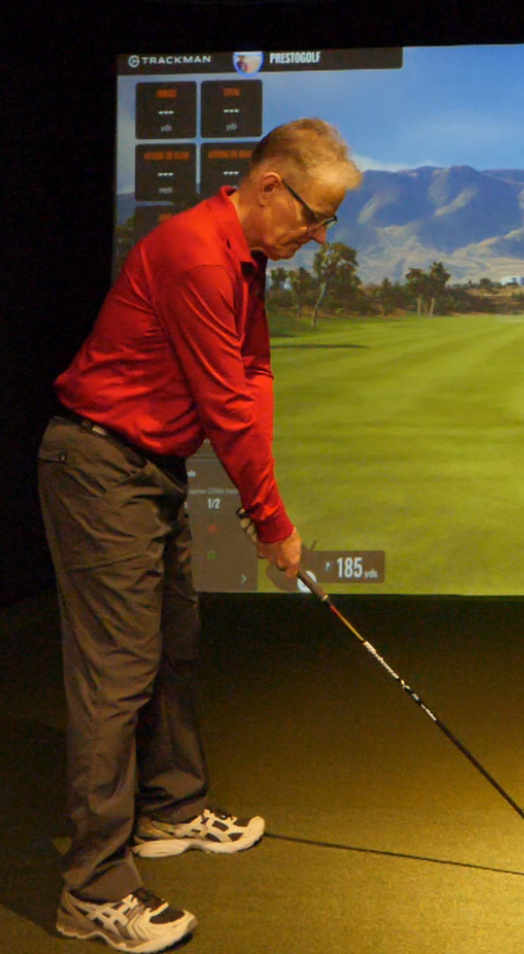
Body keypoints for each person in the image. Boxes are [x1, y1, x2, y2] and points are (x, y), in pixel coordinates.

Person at [38, 118, 363, 952]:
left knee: (173, 643)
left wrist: (269, 497)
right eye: (314, 216)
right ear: (268, 186)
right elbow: (228, 406)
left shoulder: (246, 254)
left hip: (150, 470)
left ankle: (171, 811)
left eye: (330, 221)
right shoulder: (196, 253)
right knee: (114, 680)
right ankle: (94, 889)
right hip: (100, 466)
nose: (320, 235)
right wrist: (274, 524)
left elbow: (253, 376)